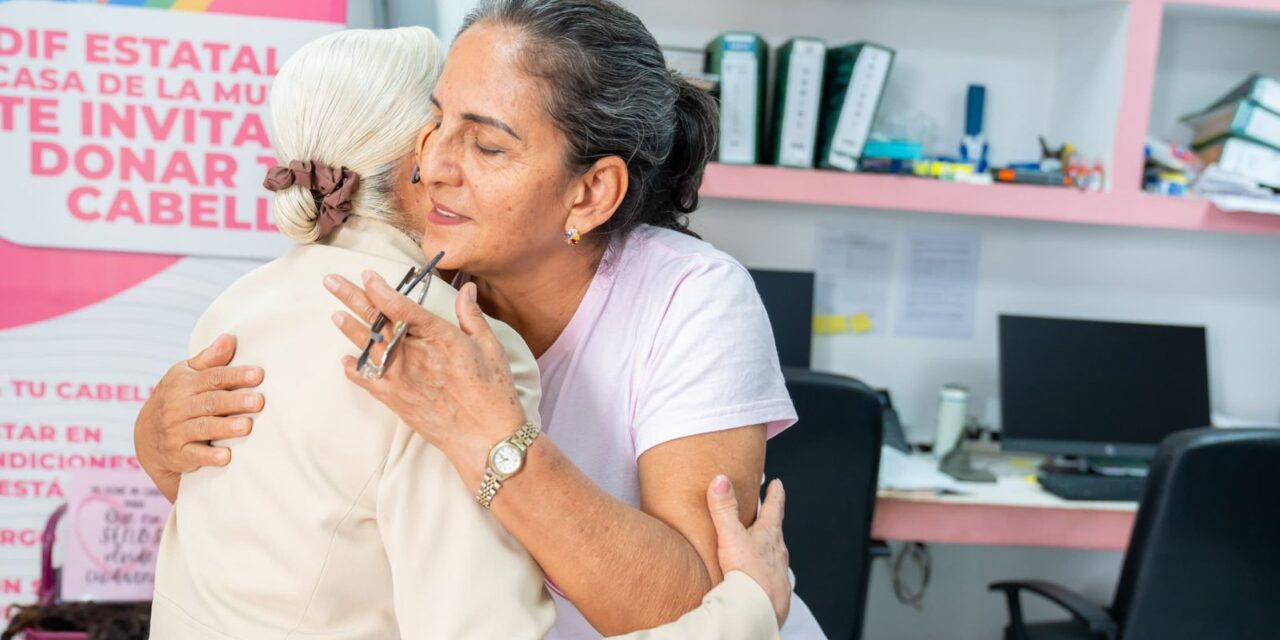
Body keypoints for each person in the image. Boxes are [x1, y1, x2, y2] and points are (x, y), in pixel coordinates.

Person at [134, 1, 827, 637]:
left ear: (590, 192)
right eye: (434, 122)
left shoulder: (693, 297)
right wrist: (163, 446)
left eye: (488, 147)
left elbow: (696, 602)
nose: (432, 165)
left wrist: (493, 440)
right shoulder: (398, 287)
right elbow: (311, 532)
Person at [147, 27, 554, 639]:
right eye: (452, 123)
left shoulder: (234, 307)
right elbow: (480, 624)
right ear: (425, 154)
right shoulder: (450, 344)